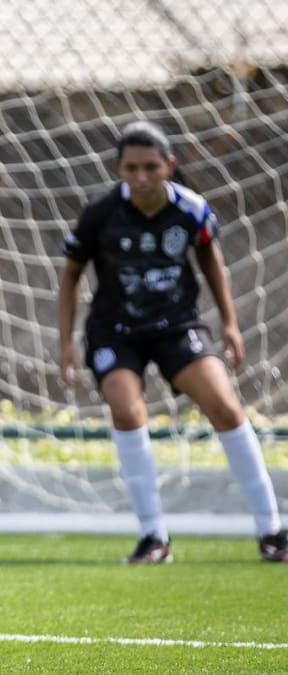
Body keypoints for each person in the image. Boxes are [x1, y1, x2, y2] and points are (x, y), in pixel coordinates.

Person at [57, 120, 287, 565]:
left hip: (176, 327)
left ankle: (271, 530)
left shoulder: (192, 209)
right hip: (115, 332)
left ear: (170, 165)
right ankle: (153, 537)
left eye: (150, 167)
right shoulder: (100, 214)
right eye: (131, 168)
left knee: (225, 407)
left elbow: (210, 260)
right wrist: (64, 342)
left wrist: (230, 324)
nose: (141, 177)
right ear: (118, 169)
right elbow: (70, 275)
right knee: (127, 412)